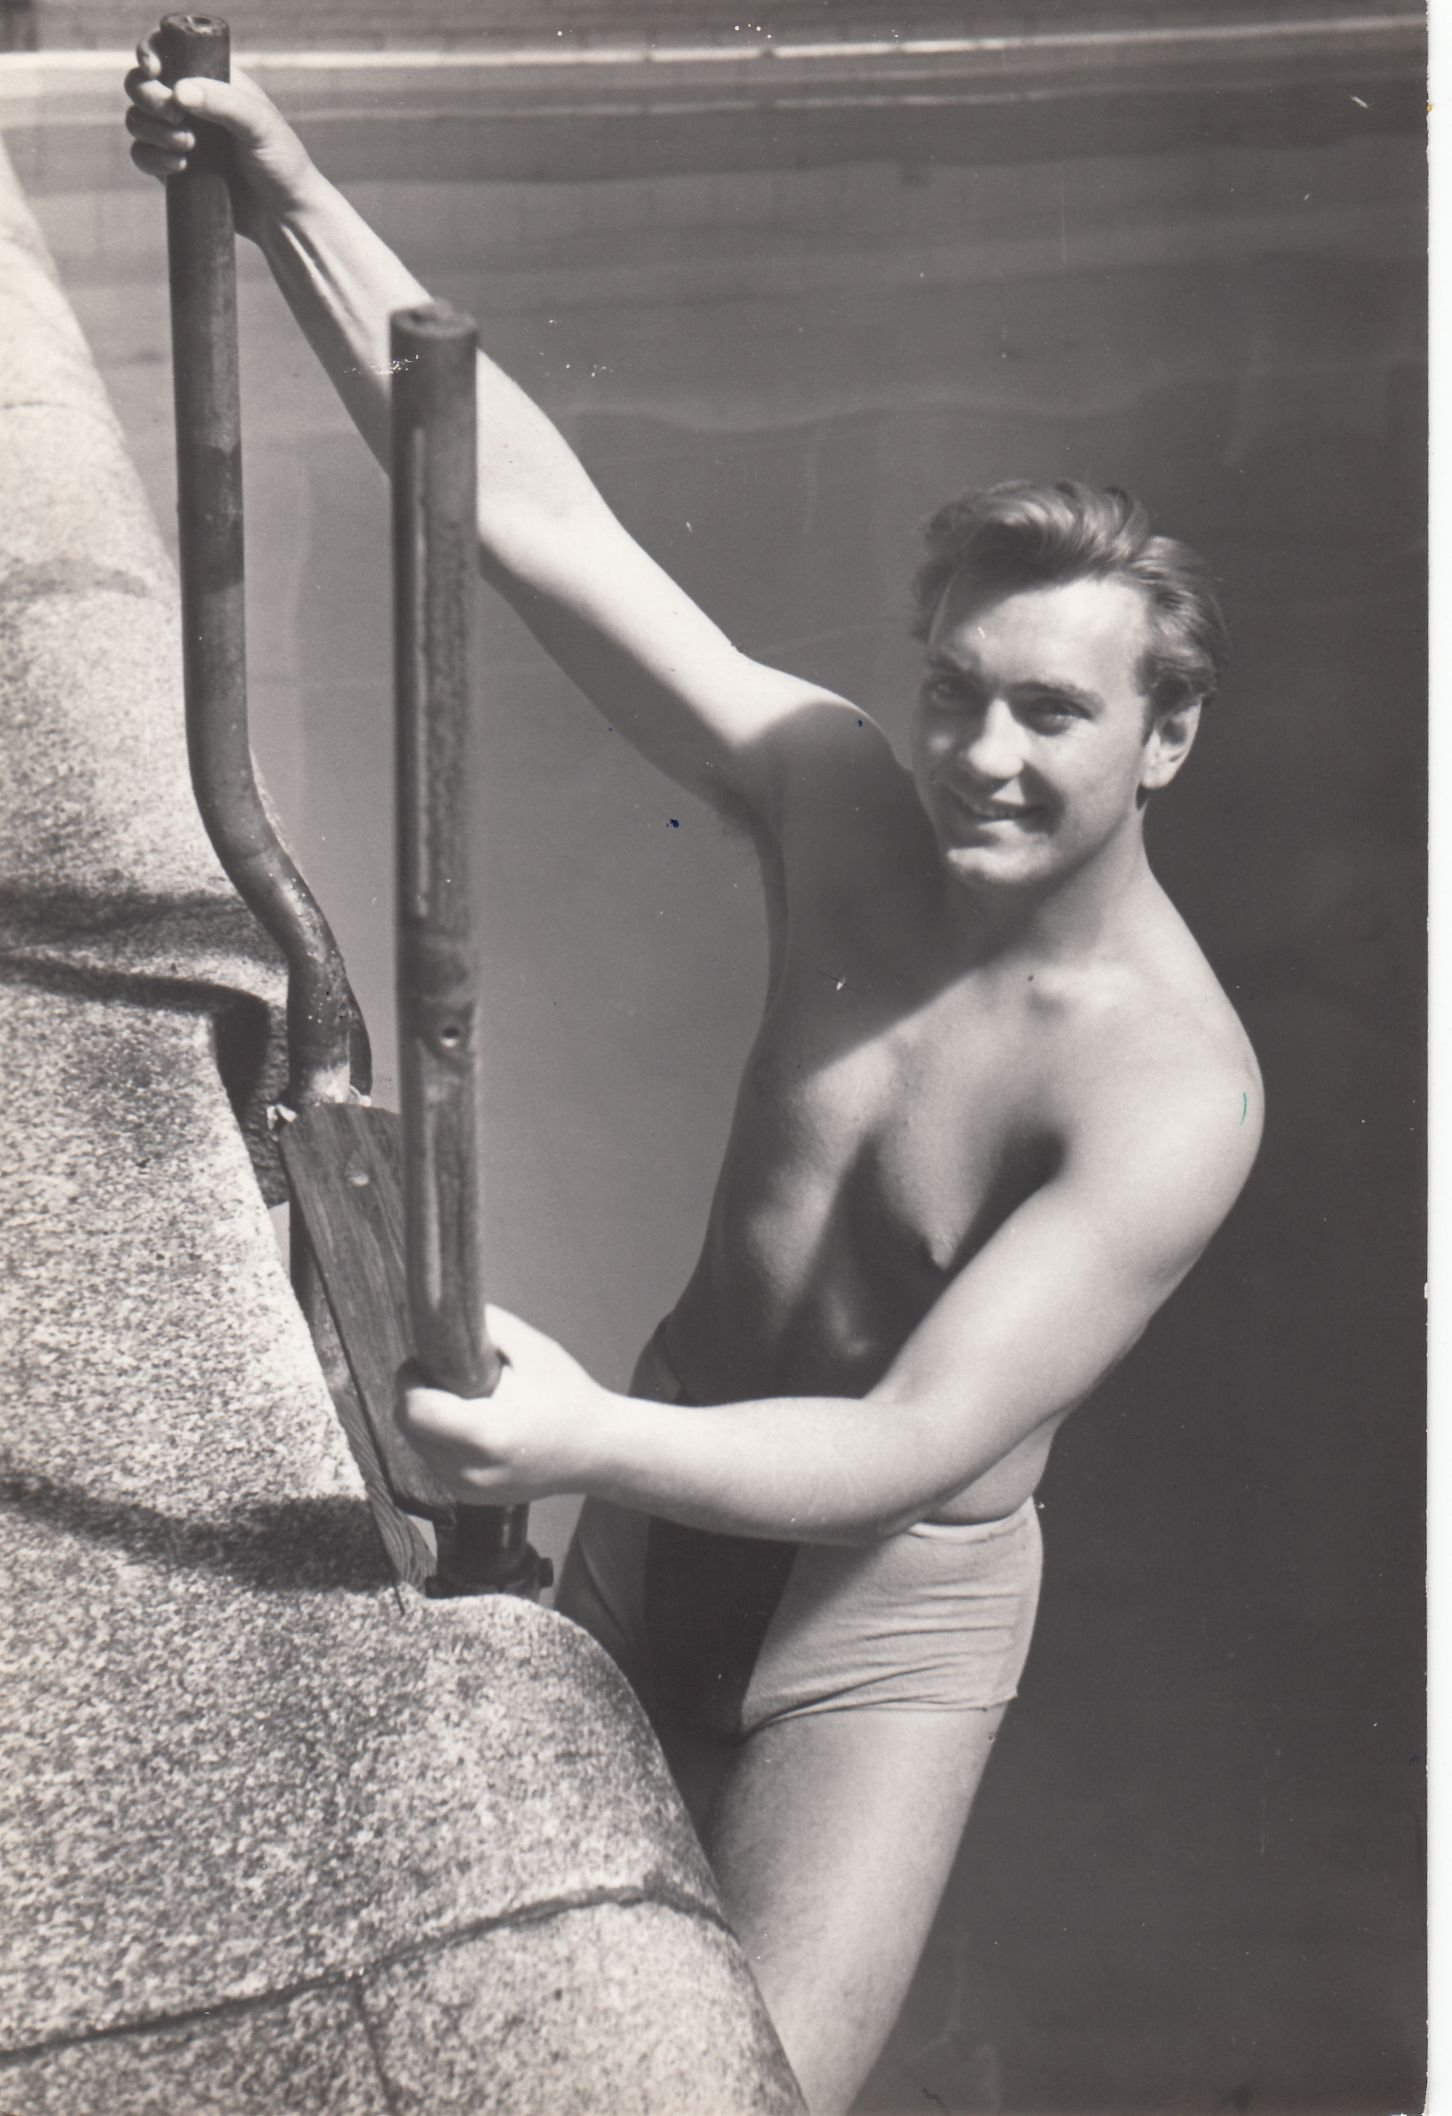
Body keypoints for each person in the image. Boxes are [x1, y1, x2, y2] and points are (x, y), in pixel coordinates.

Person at [126, 48, 1263, 2114]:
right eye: (954, 692)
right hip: (665, 1488)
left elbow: (913, 1440)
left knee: (744, 2093)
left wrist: (581, 1434)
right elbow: (530, 515)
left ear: (1163, 737)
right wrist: (278, 181)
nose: (980, 757)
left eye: (1050, 713)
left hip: (876, 1615)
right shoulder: (835, 798)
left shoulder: (1172, 1091)